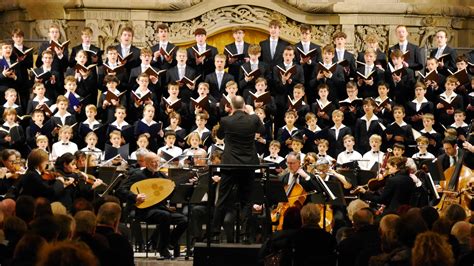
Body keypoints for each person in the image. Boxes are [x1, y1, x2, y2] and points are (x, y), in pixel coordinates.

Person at [212, 95, 265, 243]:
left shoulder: (226, 120)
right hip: (247, 165)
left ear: (231, 107)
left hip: (229, 165)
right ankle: (245, 234)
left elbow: (220, 135)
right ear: (244, 106)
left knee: (222, 199)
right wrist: (252, 112)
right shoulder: (253, 119)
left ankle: (215, 232)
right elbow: (263, 129)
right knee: (247, 200)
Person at [116, 152, 187, 259]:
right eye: (153, 162)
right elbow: (121, 190)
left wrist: (174, 187)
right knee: (165, 216)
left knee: (184, 220)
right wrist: (135, 196)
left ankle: (169, 243)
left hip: (161, 209)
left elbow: (169, 194)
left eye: (157, 161)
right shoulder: (138, 175)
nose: (156, 164)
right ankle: (163, 250)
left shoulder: (162, 176)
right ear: (146, 163)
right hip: (144, 211)